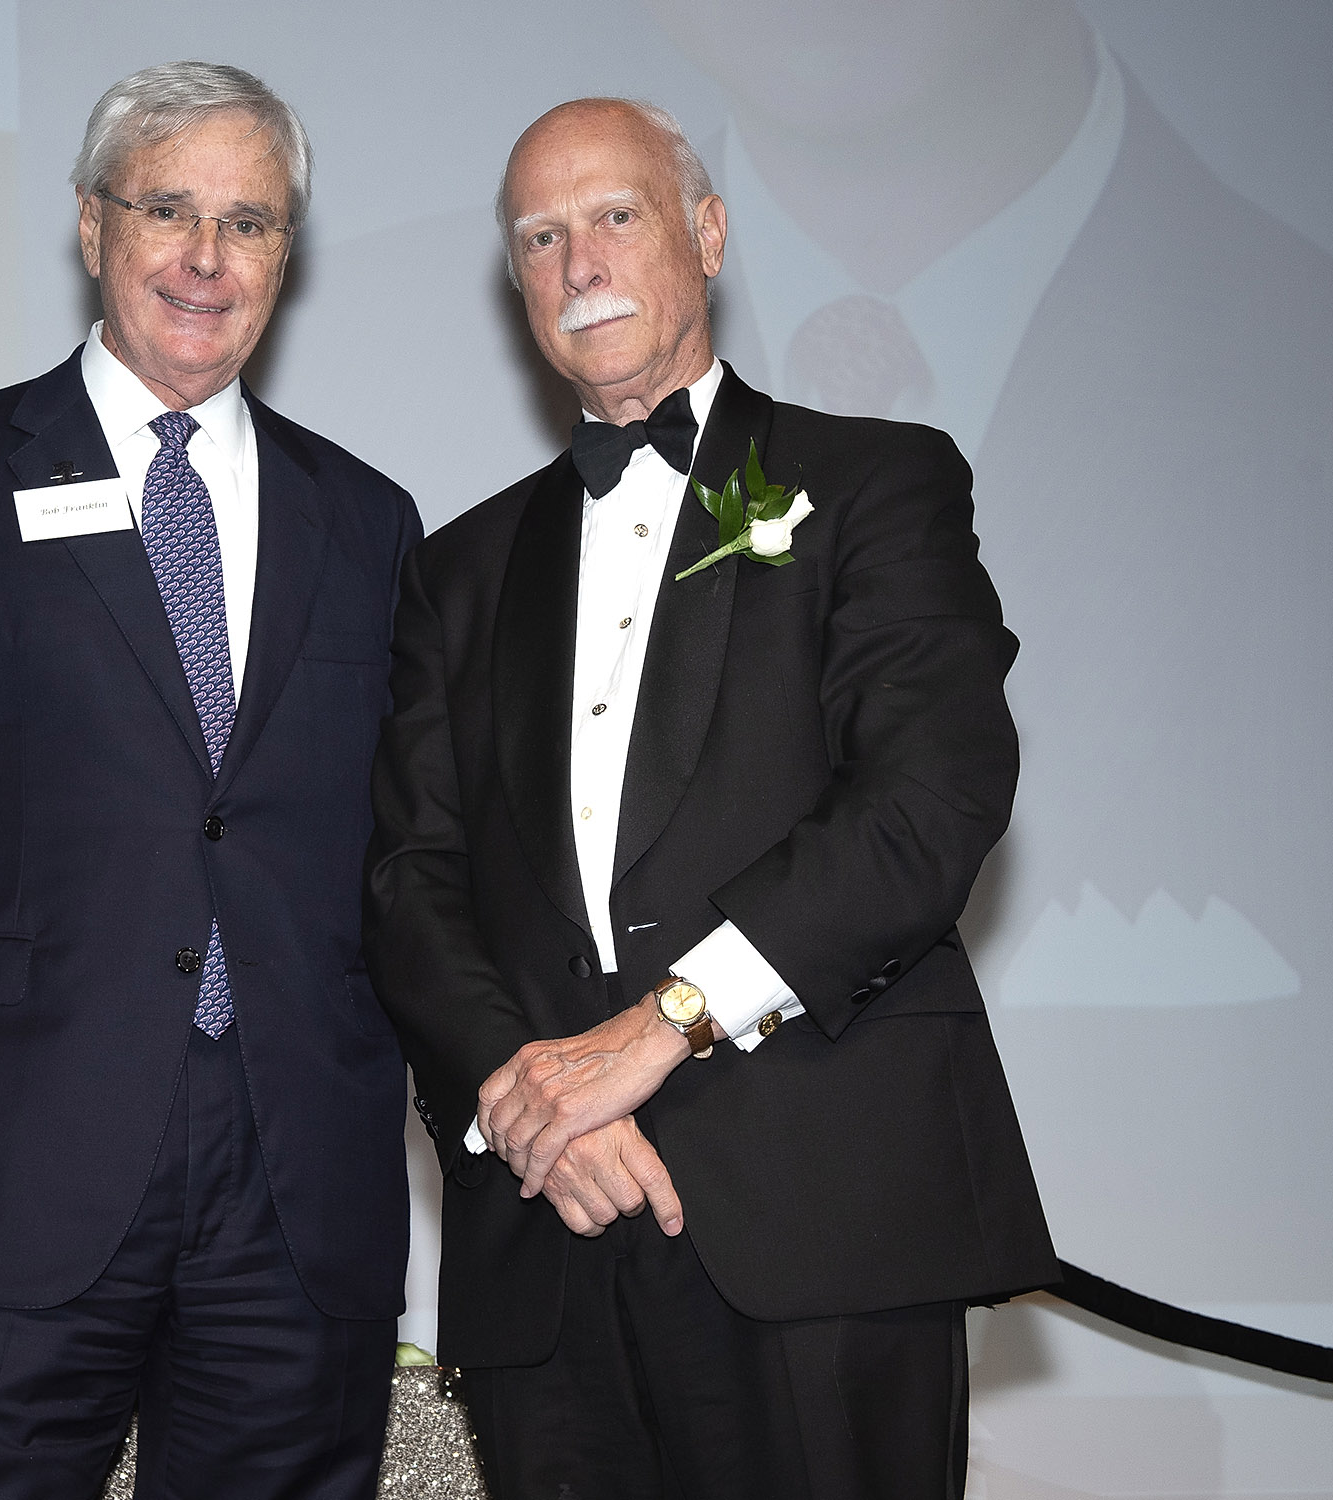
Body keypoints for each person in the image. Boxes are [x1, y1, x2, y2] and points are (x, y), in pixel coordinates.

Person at [364, 97, 1058, 1498]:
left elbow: (930, 796)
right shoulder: (458, 569)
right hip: (548, 1241)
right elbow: (406, 880)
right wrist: (531, 1107)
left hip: (821, 1224)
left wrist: (661, 1028)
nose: (579, 262)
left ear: (710, 235)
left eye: (615, 216)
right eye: (540, 237)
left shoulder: (874, 482)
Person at [0, 61, 419, 1500]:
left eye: (249, 222)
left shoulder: (369, 523)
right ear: (89, 225)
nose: (205, 257)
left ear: (287, 256)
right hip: (5, 1175)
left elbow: (410, 857)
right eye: (167, 209)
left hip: (295, 1188)